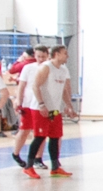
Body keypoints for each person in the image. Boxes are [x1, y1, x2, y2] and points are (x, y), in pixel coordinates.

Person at [25, 44, 76, 179]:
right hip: (40, 109)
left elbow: (64, 90)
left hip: (54, 110)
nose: (67, 56)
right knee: (39, 137)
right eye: (65, 53)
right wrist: (42, 104)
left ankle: (55, 167)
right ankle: (28, 166)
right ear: (57, 54)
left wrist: (69, 105)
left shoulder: (63, 70)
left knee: (55, 137)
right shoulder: (46, 67)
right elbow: (35, 86)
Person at [11, 45, 50, 168]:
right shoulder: (28, 68)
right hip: (28, 103)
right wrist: (19, 100)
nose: (40, 59)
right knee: (24, 130)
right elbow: (22, 85)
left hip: (41, 104)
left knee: (40, 132)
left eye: (43, 57)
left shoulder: (49, 68)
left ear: (47, 56)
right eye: (38, 56)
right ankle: (16, 153)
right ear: (34, 55)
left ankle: (38, 158)